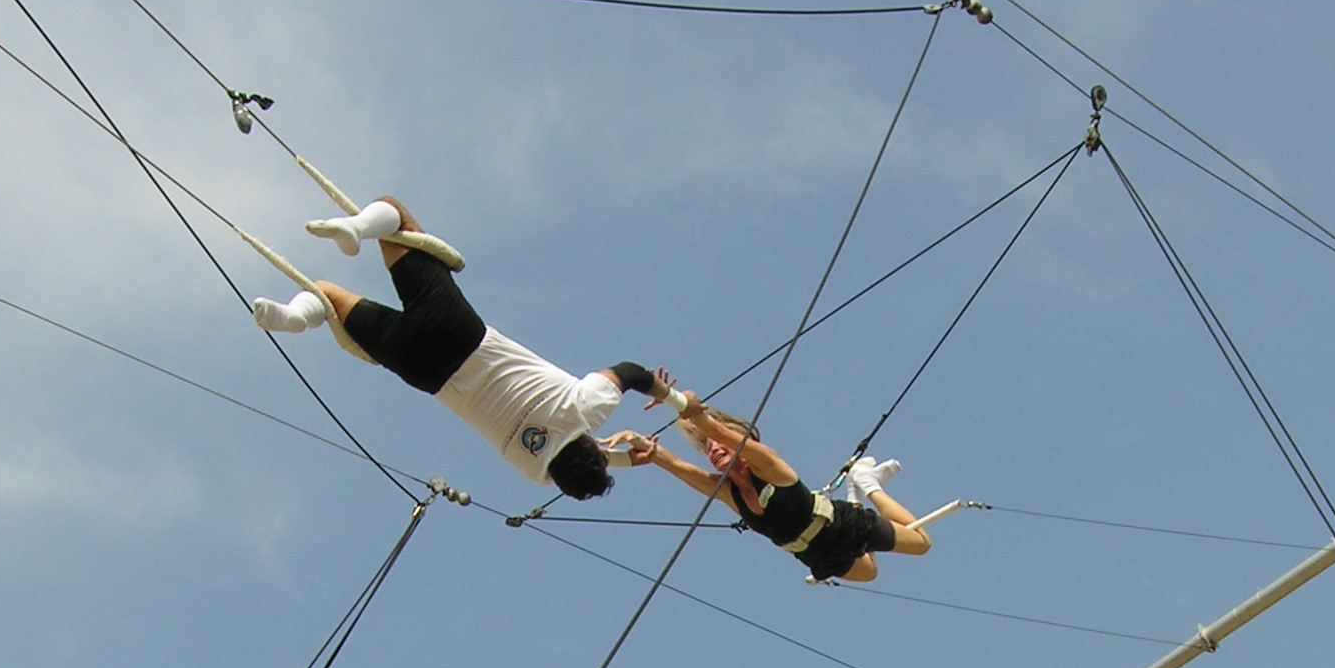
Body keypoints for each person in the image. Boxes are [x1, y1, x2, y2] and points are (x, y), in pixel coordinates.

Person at [252, 196, 661, 501]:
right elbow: (568, 467)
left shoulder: (585, 408)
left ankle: (359, 229)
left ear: (590, 444)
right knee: (326, 294)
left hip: (459, 333)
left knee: (397, 217)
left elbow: (630, 372)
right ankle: (293, 318)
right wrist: (622, 459)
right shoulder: (534, 470)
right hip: (422, 369)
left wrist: (674, 399)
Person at [610, 393, 933, 584]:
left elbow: (718, 431)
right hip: (814, 553)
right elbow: (676, 465)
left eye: (720, 445)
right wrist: (644, 448)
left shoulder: (769, 466)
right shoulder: (727, 493)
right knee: (869, 573)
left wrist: (685, 407)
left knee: (921, 544)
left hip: (842, 526)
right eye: (710, 449)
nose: (715, 450)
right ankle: (855, 490)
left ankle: (867, 484)